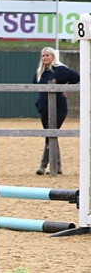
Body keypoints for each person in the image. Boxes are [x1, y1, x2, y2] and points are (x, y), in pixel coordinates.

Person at [32, 46, 80, 176]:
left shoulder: (61, 70)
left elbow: (77, 77)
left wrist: (66, 87)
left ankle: (43, 166)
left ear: (53, 56)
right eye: (43, 55)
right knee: (51, 136)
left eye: (48, 55)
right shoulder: (39, 72)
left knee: (50, 135)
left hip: (58, 108)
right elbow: (34, 84)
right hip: (44, 107)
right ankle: (57, 166)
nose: (45, 57)